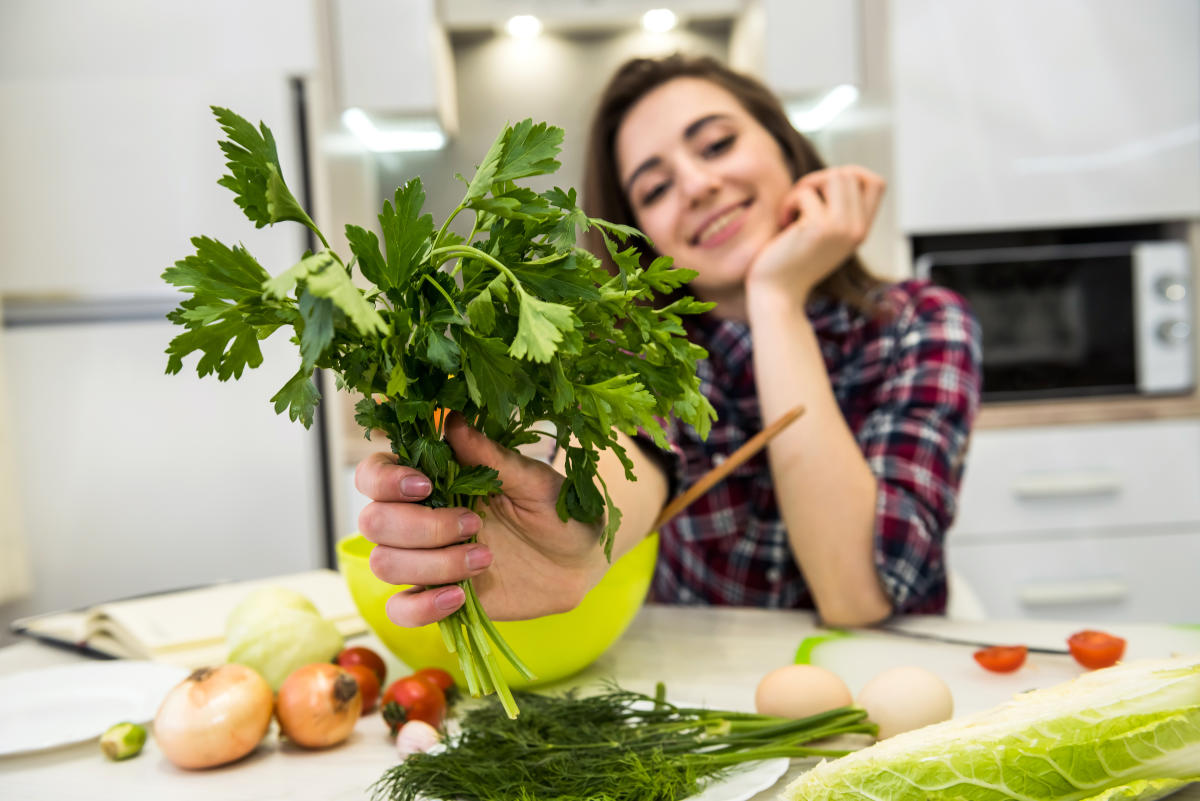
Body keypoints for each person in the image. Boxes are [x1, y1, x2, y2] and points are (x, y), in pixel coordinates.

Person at [354, 54, 982, 629]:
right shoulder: (638, 348)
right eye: (654, 189)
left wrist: (776, 298)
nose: (698, 185)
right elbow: (633, 456)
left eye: (717, 144)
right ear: (641, 236)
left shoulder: (920, 323)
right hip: (705, 698)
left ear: (786, 144)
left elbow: (857, 593)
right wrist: (577, 542)